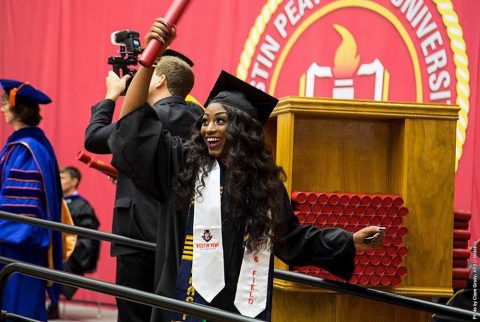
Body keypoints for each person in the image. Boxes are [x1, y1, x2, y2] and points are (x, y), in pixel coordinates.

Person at [109, 20, 384, 322]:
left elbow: (290, 239)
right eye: (205, 121)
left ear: (243, 129)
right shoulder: (184, 165)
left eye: (220, 120)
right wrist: (150, 58)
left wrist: (348, 240)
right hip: (181, 304)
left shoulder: (263, 184)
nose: (209, 128)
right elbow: (133, 124)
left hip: (237, 307)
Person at [85, 48, 203, 321]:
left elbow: (93, 138)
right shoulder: (201, 119)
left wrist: (111, 94)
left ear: (160, 80)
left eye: (146, 75)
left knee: (133, 313)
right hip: (178, 237)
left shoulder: (146, 121)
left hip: (136, 235)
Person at [0, 79, 63, 321]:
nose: (2, 109)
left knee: (18, 311)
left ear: (16, 109)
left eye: (5, 104)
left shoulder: (26, 149)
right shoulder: (30, 144)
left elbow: (22, 211)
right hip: (18, 246)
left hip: (19, 247)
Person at [47, 166, 100, 319]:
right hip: (54, 247)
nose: (59, 181)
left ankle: (54, 302)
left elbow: (88, 238)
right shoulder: (56, 202)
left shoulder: (82, 206)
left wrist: (66, 246)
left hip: (75, 252)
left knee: (56, 258)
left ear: (74, 181)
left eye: (63, 178)